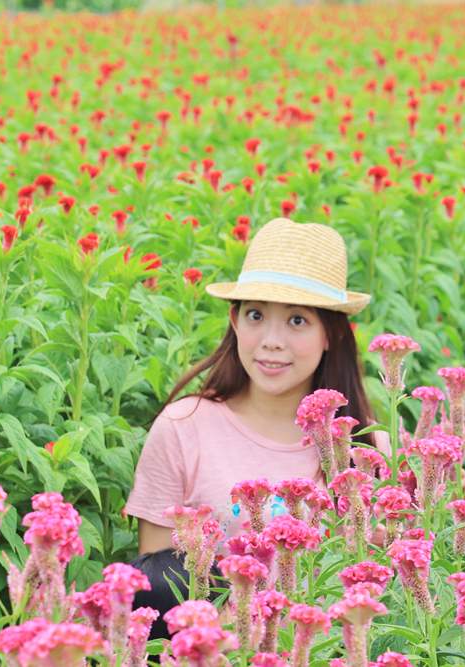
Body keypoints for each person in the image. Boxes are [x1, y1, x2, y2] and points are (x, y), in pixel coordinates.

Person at [123, 217, 391, 639]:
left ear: (331, 336)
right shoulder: (182, 429)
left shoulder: (368, 449)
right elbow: (157, 592)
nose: (271, 340)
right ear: (234, 321)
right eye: (255, 315)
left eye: (297, 320)